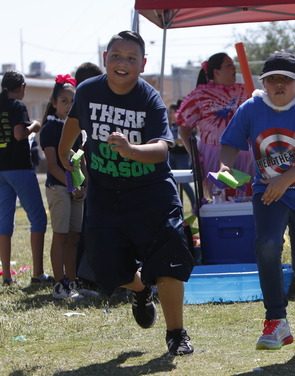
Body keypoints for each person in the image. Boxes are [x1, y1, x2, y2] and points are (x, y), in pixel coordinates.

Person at [58, 31, 195, 357]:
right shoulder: (88, 91)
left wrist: (132, 149)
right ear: (106, 57)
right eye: (116, 55)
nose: (123, 63)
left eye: (131, 58)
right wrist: (66, 155)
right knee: (108, 269)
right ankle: (140, 289)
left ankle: (176, 333)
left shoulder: (149, 98)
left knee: (169, 259)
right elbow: (75, 122)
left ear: (142, 64)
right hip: (106, 195)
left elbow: (163, 149)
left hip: (152, 192)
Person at [219, 51, 295, 353]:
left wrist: (284, 180)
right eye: (272, 80)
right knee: (267, 246)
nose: (279, 85)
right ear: (263, 84)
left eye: (286, 80)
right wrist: (225, 166)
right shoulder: (252, 107)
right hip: (268, 191)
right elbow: (229, 143)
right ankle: (276, 321)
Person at [176, 52, 253, 199]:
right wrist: (195, 155)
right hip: (213, 154)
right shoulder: (201, 94)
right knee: (220, 199)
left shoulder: (244, 90)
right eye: (229, 65)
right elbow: (184, 128)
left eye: (233, 64)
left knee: (246, 199)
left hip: (244, 152)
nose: (234, 68)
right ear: (216, 72)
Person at [0, 70, 50, 286]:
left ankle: (7, 277)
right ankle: (38, 274)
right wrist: (35, 126)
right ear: (20, 86)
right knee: (38, 218)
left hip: (1, 170)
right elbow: (20, 134)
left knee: (4, 222)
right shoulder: (17, 106)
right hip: (19, 167)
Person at [40, 74, 86, 299]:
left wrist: (83, 185)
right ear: (55, 103)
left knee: (74, 237)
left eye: (72, 101)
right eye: (64, 101)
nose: (68, 105)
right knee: (60, 236)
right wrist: (71, 186)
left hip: (76, 189)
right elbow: (52, 165)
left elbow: (81, 159)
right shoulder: (50, 128)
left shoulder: (76, 127)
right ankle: (60, 283)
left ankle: (73, 281)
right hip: (59, 188)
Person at [168, 101, 196, 210]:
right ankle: (176, 205)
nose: (169, 115)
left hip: (182, 156)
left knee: (184, 183)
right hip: (172, 155)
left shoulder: (184, 125)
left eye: (171, 112)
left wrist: (174, 141)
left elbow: (182, 141)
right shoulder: (171, 125)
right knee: (172, 181)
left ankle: (194, 204)